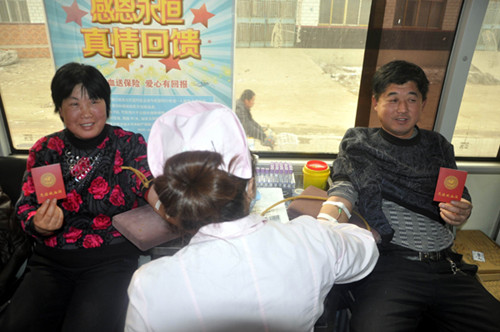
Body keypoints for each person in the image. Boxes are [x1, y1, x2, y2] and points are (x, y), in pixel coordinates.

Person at [125, 101, 379, 332]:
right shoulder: (310, 241)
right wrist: (323, 228)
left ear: (173, 210)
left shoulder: (149, 285)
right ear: (251, 186)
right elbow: (366, 250)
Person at [318, 60, 500, 332]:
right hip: (391, 265)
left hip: (445, 265)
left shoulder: (437, 146)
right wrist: (323, 223)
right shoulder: (360, 143)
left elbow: (457, 193)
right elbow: (344, 189)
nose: (402, 109)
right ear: (376, 102)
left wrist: (463, 209)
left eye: (411, 99)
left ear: (422, 104)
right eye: (393, 99)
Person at [0, 62, 153, 332]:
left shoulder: (128, 144)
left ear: (107, 104)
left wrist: (166, 200)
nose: (86, 113)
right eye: (73, 104)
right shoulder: (48, 150)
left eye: (94, 101)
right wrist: (38, 223)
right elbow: (26, 207)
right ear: (60, 109)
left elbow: (148, 183)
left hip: (111, 260)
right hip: (51, 260)